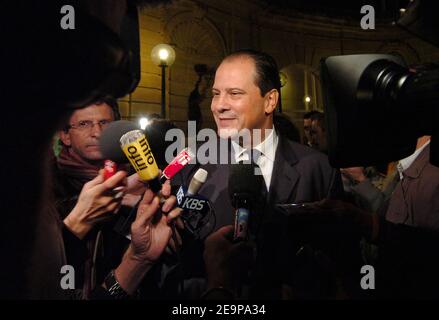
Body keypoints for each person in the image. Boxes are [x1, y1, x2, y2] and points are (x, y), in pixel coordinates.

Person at [0, 0, 174, 299]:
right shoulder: (45, 186)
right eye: (93, 56)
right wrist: (77, 223)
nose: (97, 132)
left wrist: (138, 259)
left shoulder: (134, 181)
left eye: (105, 123)